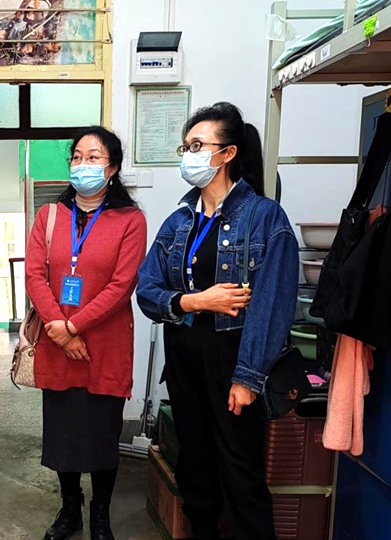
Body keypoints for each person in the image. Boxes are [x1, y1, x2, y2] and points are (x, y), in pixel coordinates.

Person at [136, 102, 299, 540]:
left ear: (227, 153)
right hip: (184, 361)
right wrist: (196, 301)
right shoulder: (179, 222)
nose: (188, 155)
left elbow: (272, 306)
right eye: (186, 147)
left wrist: (248, 378)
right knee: (195, 467)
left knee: (240, 472)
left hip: (234, 361)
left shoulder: (264, 218)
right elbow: (147, 291)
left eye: (197, 146)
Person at [25, 127, 147, 540]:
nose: (82, 165)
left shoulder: (130, 220)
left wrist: (74, 326)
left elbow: (122, 284)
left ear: (112, 168)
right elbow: (34, 275)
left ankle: (100, 513)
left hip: (104, 347)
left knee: (101, 436)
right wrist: (59, 329)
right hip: (57, 344)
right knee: (63, 437)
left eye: (93, 158)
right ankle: (70, 508)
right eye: (77, 157)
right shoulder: (49, 216)